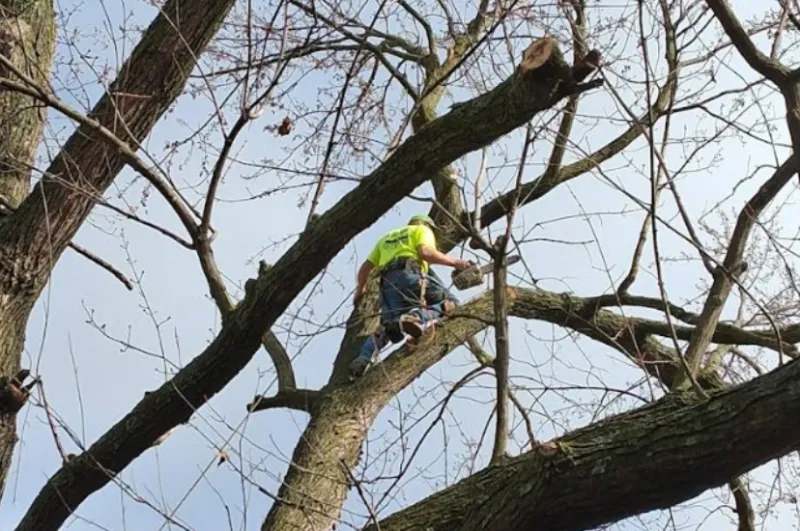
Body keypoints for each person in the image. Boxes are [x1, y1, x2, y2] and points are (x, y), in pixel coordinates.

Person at [350, 214, 473, 378]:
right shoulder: (422, 230)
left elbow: (365, 268)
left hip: (388, 286)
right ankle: (415, 317)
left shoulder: (386, 238)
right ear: (425, 224)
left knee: (389, 328)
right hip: (409, 275)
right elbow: (425, 252)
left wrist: (360, 290)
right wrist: (457, 263)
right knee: (451, 302)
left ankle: (362, 360)